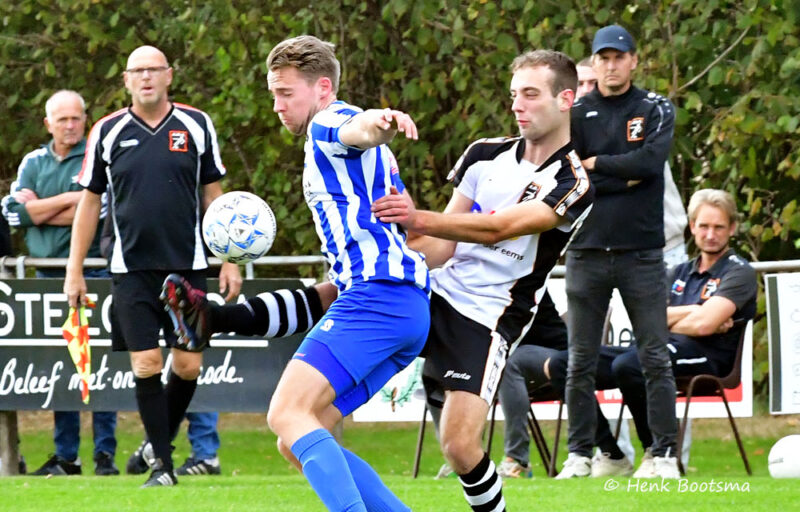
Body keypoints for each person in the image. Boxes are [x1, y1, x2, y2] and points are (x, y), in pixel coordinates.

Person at [373, 49, 593, 511]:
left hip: (487, 317)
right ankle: (224, 318)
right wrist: (391, 251)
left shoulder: (573, 182)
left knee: (458, 447)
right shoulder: (484, 154)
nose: (517, 105)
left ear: (565, 99)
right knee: (340, 297)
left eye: (530, 94)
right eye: (513, 95)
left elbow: (498, 228)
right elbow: (441, 247)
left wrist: (417, 217)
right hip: (437, 293)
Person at [63, 46, 242, 488]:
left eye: (153, 70)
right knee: (146, 363)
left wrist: (230, 258)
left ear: (169, 76)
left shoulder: (196, 125)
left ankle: (154, 442)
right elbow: (89, 203)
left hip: (188, 266)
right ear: (126, 79)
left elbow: (214, 196)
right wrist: (74, 269)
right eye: (137, 71)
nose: (146, 77)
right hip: (130, 269)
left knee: (188, 366)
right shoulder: (107, 131)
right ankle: (163, 466)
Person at [560, 24, 680, 479]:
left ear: (633, 61)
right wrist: (620, 177)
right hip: (586, 250)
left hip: (641, 253)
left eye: (619, 57)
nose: (611, 66)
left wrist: (596, 165)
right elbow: (568, 177)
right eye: (603, 58)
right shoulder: (576, 112)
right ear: (594, 63)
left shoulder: (655, 107)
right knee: (580, 361)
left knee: (654, 357)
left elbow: (650, 163)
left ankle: (663, 455)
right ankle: (579, 455)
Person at [1, 90, 119, 476]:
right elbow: (13, 214)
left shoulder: (96, 156)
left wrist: (40, 208)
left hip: (94, 273)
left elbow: (102, 210)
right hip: (46, 277)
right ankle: (67, 457)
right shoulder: (33, 162)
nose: (70, 125)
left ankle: (104, 456)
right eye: (62, 119)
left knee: (100, 367)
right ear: (47, 123)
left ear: (85, 120)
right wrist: (72, 199)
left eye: (76, 118)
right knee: (61, 368)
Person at [611, 188, 756, 477]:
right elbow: (647, 318)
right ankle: (608, 453)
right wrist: (699, 310)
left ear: (732, 228)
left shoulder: (738, 271)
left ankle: (658, 452)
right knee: (577, 363)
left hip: (708, 357)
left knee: (629, 364)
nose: (710, 234)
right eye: (704, 226)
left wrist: (668, 319)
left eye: (719, 227)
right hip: (662, 346)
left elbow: (704, 326)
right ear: (692, 226)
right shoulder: (678, 272)